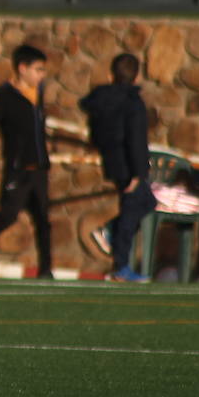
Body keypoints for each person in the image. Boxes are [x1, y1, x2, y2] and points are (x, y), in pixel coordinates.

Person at [0, 44, 53, 277]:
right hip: (18, 169)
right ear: (22, 68)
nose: (41, 75)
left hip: (39, 169)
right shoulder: (6, 95)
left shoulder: (38, 92)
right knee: (7, 215)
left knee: (43, 222)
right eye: (38, 69)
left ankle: (46, 270)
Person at [80, 53, 155, 283]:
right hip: (128, 165)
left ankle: (114, 243)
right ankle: (119, 263)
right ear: (136, 76)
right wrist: (138, 172)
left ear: (110, 75)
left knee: (139, 205)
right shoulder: (133, 103)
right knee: (139, 205)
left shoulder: (101, 100)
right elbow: (136, 139)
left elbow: (96, 132)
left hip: (112, 160)